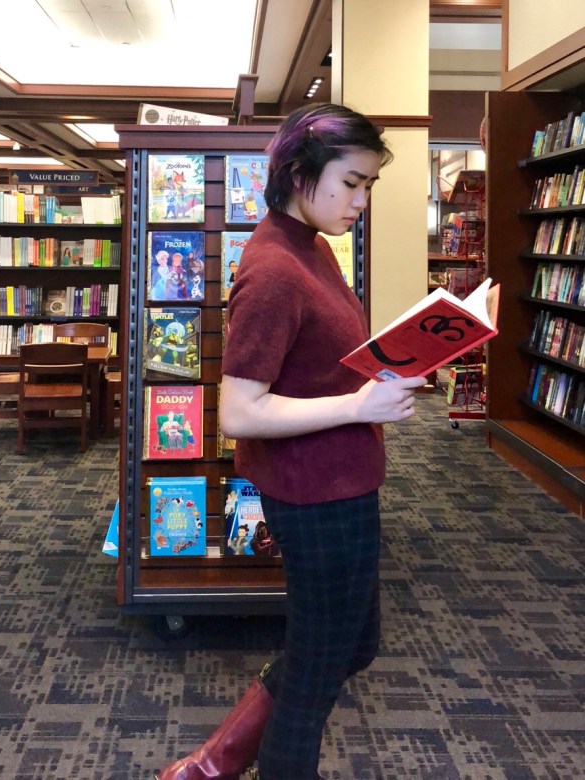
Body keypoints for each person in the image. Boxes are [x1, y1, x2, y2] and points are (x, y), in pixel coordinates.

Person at [155, 103, 426, 780]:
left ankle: (214, 762)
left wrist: (387, 367)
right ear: (302, 174)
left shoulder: (312, 246)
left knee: (348, 646)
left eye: (369, 185)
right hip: (315, 493)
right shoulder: (275, 269)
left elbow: (315, 361)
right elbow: (239, 413)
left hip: (342, 478)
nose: (361, 201)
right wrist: (359, 405)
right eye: (352, 183)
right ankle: (221, 765)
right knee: (316, 669)